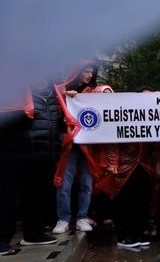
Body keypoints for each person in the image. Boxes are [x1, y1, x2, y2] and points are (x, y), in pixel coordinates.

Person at [0, 86, 60, 252]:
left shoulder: (54, 94)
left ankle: (33, 234)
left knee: (38, 196)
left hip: (46, 153)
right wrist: (19, 115)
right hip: (17, 152)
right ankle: (2, 240)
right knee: (8, 198)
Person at [52, 61, 98, 234]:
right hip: (69, 144)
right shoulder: (62, 91)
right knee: (65, 182)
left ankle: (82, 217)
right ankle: (63, 219)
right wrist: (65, 97)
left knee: (87, 183)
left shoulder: (95, 92)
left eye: (92, 72)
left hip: (88, 145)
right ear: (77, 72)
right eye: (86, 71)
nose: (90, 75)